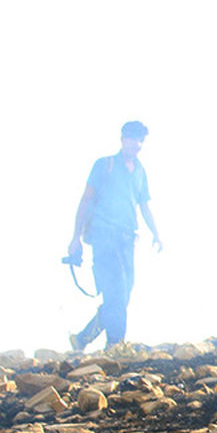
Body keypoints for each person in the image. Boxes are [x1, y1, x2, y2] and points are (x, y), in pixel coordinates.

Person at [66, 120, 162, 351]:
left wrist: (156, 233)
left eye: (140, 140)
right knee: (116, 292)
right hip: (104, 237)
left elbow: (144, 205)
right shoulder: (104, 165)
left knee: (122, 294)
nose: (136, 144)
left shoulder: (139, 170)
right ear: (123, 139)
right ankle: (116, 345)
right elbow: (86, 200)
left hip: (128, 239)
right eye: (132, 138)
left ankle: (82, 339)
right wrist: (75, 238)